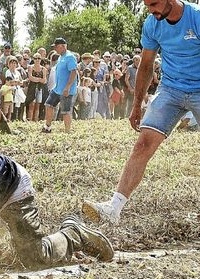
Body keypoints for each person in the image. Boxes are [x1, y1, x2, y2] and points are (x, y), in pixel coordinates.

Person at [82, 0, 200, 225]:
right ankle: (113, 209)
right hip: (170, 89)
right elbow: (146, 65)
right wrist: (137, 105)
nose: (151, 10)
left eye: (154, 4)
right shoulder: (152, 24)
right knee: (143, 144)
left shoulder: (196, 17)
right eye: (147, 5)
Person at [41, 38, 77, 134]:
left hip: (66, 90)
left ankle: (67, 132)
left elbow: (74, 72)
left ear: (63, 46)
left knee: (65, 111)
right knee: (48, 105)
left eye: (56, 47)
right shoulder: (61, 56)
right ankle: (47, 127)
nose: (55, 49)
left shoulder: (70, 57)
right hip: (57, 88)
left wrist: (68, 87)